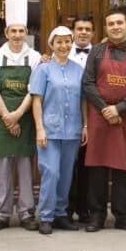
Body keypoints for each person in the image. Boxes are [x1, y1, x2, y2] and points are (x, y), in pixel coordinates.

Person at [81, 6, 126, 233]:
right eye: (111, 24)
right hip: (100, 118)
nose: (115, 27)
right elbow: (88, 83)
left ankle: (123, 216)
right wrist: (105, 109)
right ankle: (97, 216)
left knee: (124, 167)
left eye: (119, 23)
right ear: (106, 27)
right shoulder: (97, 51)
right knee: (97, 169)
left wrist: (119, 109)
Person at [0, 0, 40, 231]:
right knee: (4, 166)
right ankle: (1, 213)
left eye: (22, 31)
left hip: (25, 117)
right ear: (6, 33)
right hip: (1, 117)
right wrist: (7, 117)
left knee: (25, 166)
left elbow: (34, 90)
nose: (18, 35)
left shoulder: (35, 57)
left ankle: (27, 212)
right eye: (13, 31)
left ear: (26, 33)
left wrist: (17, 115)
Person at [31, 25, 85, 235]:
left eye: (67, 41)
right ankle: (45, 216)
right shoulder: (43, 69)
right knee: (50, 172)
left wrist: (85, 125)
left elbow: (83, 101)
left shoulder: (78, 69)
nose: (63, 46)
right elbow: (37, 100)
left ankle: (61, 214)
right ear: (51, 45)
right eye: (59, 42)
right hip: (49, 130)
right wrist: (39, 128)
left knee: (66, 175)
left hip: (72, 129)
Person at [66, 14, 97, 224]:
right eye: (80, 29)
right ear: (73, 32)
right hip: (67, 115)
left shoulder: (101, 54)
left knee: (88, 165)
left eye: (87, 29)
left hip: (94, 115)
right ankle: (67, 207)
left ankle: (85, 207)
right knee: (69, 164)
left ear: (93, 32)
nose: (84, 32)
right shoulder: (61, 53)